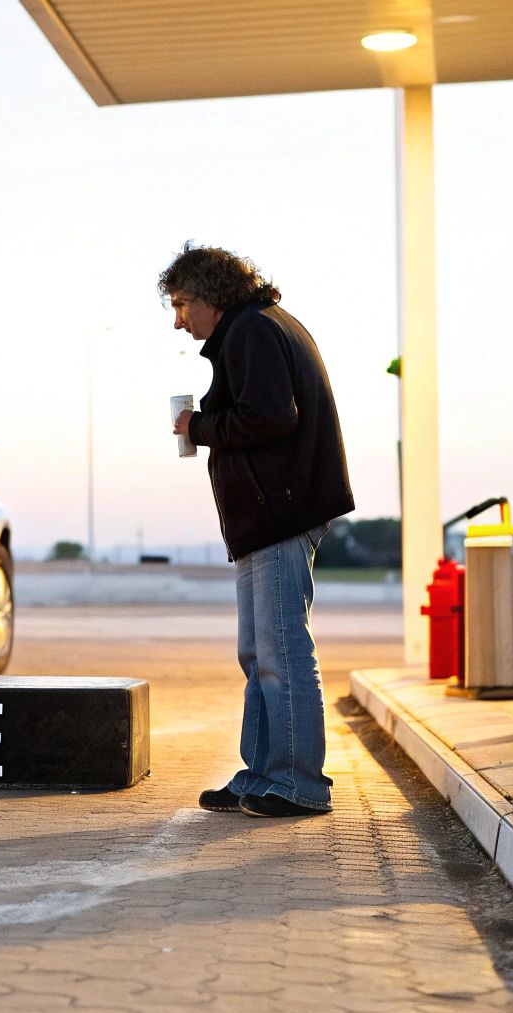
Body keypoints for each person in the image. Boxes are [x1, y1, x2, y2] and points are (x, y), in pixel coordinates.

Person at [160, 243, 354, 818]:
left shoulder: (252, 331)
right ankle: (263, 775)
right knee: (258, 651)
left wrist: (200, 425)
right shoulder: (260, 327)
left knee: (281, 648)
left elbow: (271, 416)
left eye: (182, 303)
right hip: (269, 515)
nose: (178, 319)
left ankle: (296, 783)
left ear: (212, 295)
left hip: (279, 512)